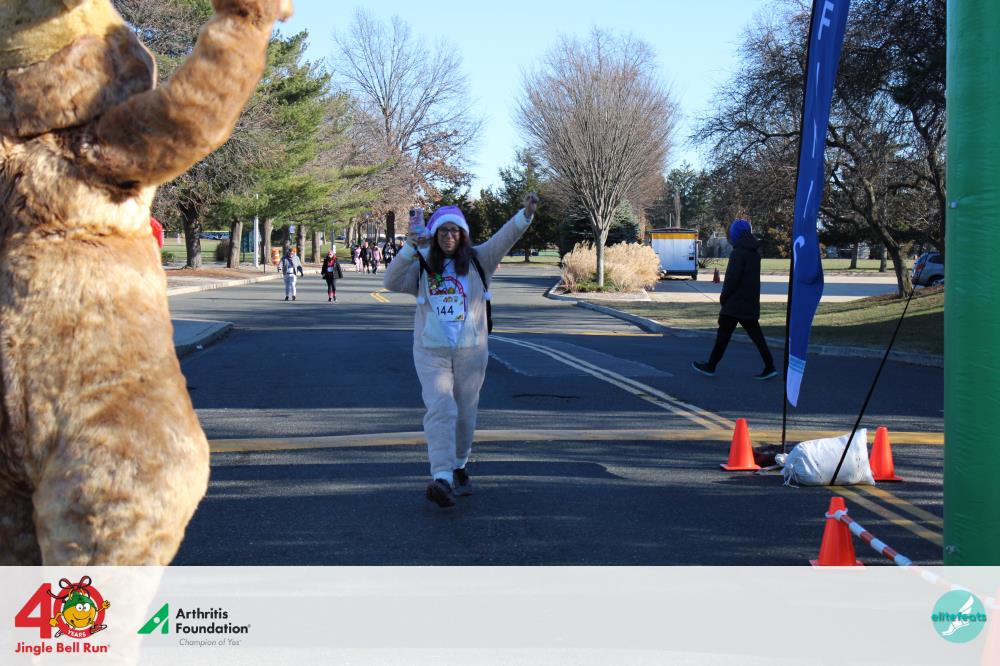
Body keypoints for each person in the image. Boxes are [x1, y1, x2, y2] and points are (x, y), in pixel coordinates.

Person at [384, 194, 539, 508]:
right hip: (432, 352)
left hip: (471, 351)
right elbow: (391, 281)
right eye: (443, 231)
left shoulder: (481, 259)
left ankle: (459, 464)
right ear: (434, 234)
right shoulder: (424, 263)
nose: (449, 236)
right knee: (441, 408)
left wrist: (525, 214)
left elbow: (506, 237)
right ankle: (442, 476)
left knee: (466, 412)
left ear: (463, 234)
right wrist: (410, 248)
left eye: (454, 230)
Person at [692, 219, 778, 379]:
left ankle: (710, 366)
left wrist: (724, 298)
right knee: (757, 336)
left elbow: (732, 279)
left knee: (723, 336)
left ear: (736, 234)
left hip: (734, 303)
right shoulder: (754, 253)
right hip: (749, 301)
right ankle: (770, 366)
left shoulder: (738, 253)